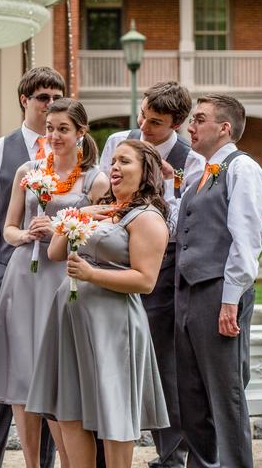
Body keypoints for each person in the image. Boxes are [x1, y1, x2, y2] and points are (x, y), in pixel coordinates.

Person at [0, 98, 108, 467]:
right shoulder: (28, 170)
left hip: (65, 278)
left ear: (81, 132)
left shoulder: (96, 180)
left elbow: (103, 238)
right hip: (24, 275)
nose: (54, 136)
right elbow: (9, 228)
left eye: (63, 129)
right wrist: (25, 235)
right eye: (50, 128)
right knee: (22, 371)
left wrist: (61, 229)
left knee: (57, 374)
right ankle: (32, 463)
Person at [27, 139, 171, 468]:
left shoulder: (147, 218)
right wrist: (77, 215)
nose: (115, 167)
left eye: (125, 161)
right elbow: (55, 252)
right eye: (114, 161)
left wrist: (91, 274)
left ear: (146, 171)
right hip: (71, 322)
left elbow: (145, 280)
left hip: (113, 324)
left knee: (114, 409)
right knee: (70, 409)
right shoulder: (102, 210)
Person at [99, 81, 203, 468]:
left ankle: (171, 455)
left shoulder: (191, 159)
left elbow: (182, 224)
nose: (143, 126)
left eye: (155, 122)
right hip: (112, 256)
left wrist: (170, 183)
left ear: (177, 123)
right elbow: (105, 194)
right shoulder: (118, 141)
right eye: (143, 115)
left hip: (163, 266)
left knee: (163, 360)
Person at [0, 66, 65, 468]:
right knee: (4, 371)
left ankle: (44, 460)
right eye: (43, 98)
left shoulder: (72, 150)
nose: (50, 105)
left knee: (52, 371)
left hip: (56, 278)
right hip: (9, 274)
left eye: (56, 98)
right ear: (25, 100)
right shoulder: (1, 150)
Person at [175, 94, 262, 468]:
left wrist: (230, 300)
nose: (191, 126)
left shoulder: (242, 168)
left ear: (224, 128)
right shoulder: (200, 173)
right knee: (193, 395)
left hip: (219, 293)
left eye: (200, 119)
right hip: (188, 292)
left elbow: (246, 241)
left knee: (225, 394)